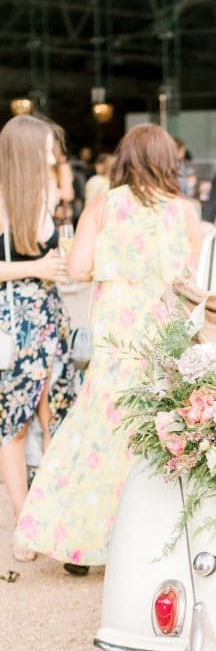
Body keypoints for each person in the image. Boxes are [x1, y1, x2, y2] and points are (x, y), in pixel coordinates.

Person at [14, 124, 203, 573]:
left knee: (97, 436)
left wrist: (112, 264)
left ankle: (81, 544)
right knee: (161, 434)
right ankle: (157, 545)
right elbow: (192, 279)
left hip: (116, 341)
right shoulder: (185, 212)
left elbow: (78, 268)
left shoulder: (103, 206)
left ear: (125, 159)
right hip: (164, 339)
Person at [0, 115, 79, 562]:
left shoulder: (42, 196)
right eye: (48, 148)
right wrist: (36, 267)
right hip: (15, 323)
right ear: (28, 151)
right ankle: (22, 520)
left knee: (56, 416)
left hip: (48, 317)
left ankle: (51, 515)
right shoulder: (1, 201)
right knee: (15, 422)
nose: (53, 156)